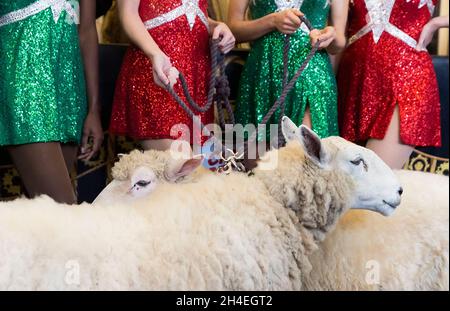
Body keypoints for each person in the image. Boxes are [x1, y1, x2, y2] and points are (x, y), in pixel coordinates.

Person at [0, 0, 103, 204]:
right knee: (63, 210)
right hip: (24, 82)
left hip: (69, 88)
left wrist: (93, 108)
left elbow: (87, 31)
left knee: (42, 216)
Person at [109, 0, 236, 152]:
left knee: (204, 170)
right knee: (180, 166)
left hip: (197, 80)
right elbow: (128, 14)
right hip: (159, 75)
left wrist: (216, 27)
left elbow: (190, 11)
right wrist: (153, 52)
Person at [338, 0, 448, 169]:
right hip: (354, 85)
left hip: (408, 81)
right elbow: (339, 36)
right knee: (345, 181)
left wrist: (437, 22)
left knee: (371, 178)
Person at [229, 0, 347, 145]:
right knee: (257, 160)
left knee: (306, 155)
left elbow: (339, 42)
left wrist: (331, 36)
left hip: (313, 73)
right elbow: (232, 29)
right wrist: (272, 21)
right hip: (262, 75)